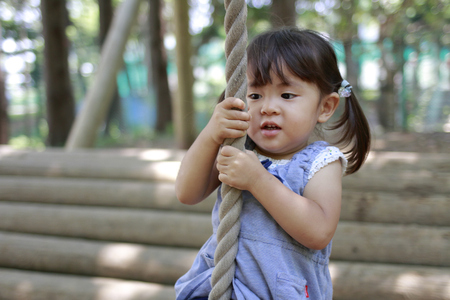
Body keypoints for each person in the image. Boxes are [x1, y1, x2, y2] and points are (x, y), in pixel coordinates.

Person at [174, 27, 371, 299]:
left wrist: (258, 181)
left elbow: (318, 231)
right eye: (255, 96)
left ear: (325, 107)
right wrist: (211, 133)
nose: (267, 107)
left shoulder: (322, 163)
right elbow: (187, 193)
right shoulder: (237, 151)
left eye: (287, 95)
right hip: (220, 285)